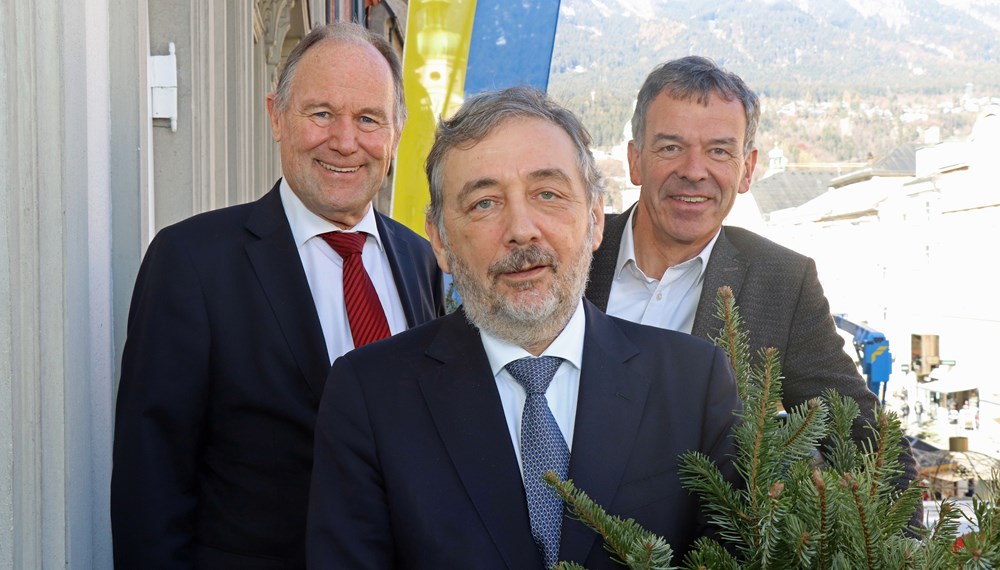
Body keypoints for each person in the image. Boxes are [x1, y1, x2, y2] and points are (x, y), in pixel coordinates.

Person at [305, 86, 742, 569]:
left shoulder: (694, 383)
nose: (521, 228)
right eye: (484, 203)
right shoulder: (369, 396)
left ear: (596, 219)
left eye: (548, 194)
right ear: (441, 241)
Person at [110, 23, 445, 568]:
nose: (344, 140)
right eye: (321, 114)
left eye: (368, 119)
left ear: (396, 134)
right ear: (276, 116)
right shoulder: (192, 262)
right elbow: (151, 485)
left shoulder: (421, 259)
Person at [585, 55, 919, 508]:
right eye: (670, 147)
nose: (694, 170)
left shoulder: (782, 282)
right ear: (635, 160)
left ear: (747, 169)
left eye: (719, 150)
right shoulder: (573, 252)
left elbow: (866, 440)